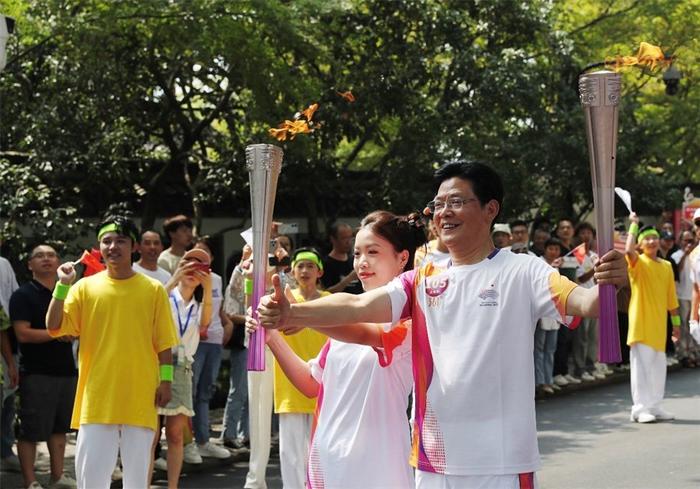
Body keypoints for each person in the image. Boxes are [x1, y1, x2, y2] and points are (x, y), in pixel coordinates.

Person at [256, 161, 628, 488]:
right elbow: (359, 304)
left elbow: (587, 303)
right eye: (438, 204)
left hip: (500, 461)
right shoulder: (422, 279)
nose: (443, 212)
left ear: (490, 209)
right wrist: (294, 314)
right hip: (434, 461)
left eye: (456, 202)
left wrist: (613, 282)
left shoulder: (523, 270)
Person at [252, 210, 425, 488]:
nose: (362, 262)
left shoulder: (408, 318)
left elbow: (362, 329)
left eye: (373, 252)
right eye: (357, 253)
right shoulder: (340, 321)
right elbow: (311, 383)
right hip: (327, 460)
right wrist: (272, 335)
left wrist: (297, 314)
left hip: (378, 466)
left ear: (402, 257)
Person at [45, 215, 178, 489]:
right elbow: (53, 326)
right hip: (96, 397)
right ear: (99, 246)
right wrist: (62, 285)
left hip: (140, 395)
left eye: (121, 241)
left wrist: (165, 381)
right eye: (107, 241)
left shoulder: (153, 290)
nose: (113, 246)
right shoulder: (84, 287)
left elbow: (164, 342)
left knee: (137, 479)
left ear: (134, 247)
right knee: (91, 478)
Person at [10, 245, 78, 489]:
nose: (46, 259)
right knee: (30, 431)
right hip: (37, 373)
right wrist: (56, 334)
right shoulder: (23, 295)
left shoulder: (70, 292)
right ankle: (31, 481)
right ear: (30, 265)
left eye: (51, 255)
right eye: (40, 256)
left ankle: (57, 476)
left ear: (59, 261)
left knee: (60, 428)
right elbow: (23, 334)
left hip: (68, 371)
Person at [157, 248, 216, 489]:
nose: (193, 269)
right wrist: (174, 278)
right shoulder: (164, 293)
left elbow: (205, 323)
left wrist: (208, 287)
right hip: (156, 363)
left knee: (175, 433)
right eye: (188, 263)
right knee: (150, 433)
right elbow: (150, 306)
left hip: (182, 367)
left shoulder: (200, 304)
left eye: (200, 266)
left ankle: (172, 486)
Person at [272, 247, 328, 488]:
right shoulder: (281, 300)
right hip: (290, 388)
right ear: (292, 271)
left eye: (310, 266)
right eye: (300, 266)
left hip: (324, 387)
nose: (305, 271)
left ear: (320, 271)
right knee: (291, 454)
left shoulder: (330, 302)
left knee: (321, 451)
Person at [625, 213, 680, 423]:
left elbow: (671, 299)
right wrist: (633, 225)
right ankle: (639, 409)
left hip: (659, 326)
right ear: (641, 243)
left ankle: (655, 406)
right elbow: (628, 250)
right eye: (647, 238)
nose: (652, 241)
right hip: (641, 324)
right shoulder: (638, 263)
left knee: (658, 368)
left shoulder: (666, 266)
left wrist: (676, 325)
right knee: (641, 368)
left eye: (654, 237)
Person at [190, 237, 233, 459]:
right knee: (191, 391)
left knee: (205, 391)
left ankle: (204, 440)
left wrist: (227, 326)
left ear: (212, 258)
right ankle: (189, 443)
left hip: (214, 341)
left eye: (204, 255)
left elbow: (219, 308)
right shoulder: (187, 279)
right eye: (195, 255)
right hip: (193, 343)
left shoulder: (216, 279)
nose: (200, 260)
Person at [221, 245, 252, 450]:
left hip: (264, 342)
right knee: (239, 390)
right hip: (243, 342)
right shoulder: (236, 284)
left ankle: (247, 434)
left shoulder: (265, 279)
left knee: (254, 393)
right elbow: (230, 313)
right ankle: (229, 433)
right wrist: (251, 319)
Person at [535, 239, 564, 395]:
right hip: (541, 313)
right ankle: (539, 381)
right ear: (545, 250)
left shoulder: (557, 266)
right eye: (550, 248)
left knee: (550, 349)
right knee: (539, 348)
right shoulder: (538, 264)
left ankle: (548, 380)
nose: (553, 252)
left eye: (556, 248)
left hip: (554, 313)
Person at [0, 246, 19, 471]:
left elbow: (3, 325)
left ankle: (4, 450)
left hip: (5, 353)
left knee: (7, 403)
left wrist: (12, 361)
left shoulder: (4, 264)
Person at [671, 231, 698, 368]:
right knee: (682, 326)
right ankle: (682, 354)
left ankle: (694, 352)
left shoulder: (697, 255)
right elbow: (677, 273)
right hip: (681, 295)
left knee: (693, 326)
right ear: (680, 241)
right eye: (685, 240)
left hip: (694, 296)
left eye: (691, 240)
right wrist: (686, 254)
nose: (688, 243)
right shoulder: (676, 255)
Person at [321, 222, 362, 294]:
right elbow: (326, 293)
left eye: (350, 237)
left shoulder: (355, 259)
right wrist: (349, 278)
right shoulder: (326, 263)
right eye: (344, 238)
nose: (348, 242)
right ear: (333, 239)